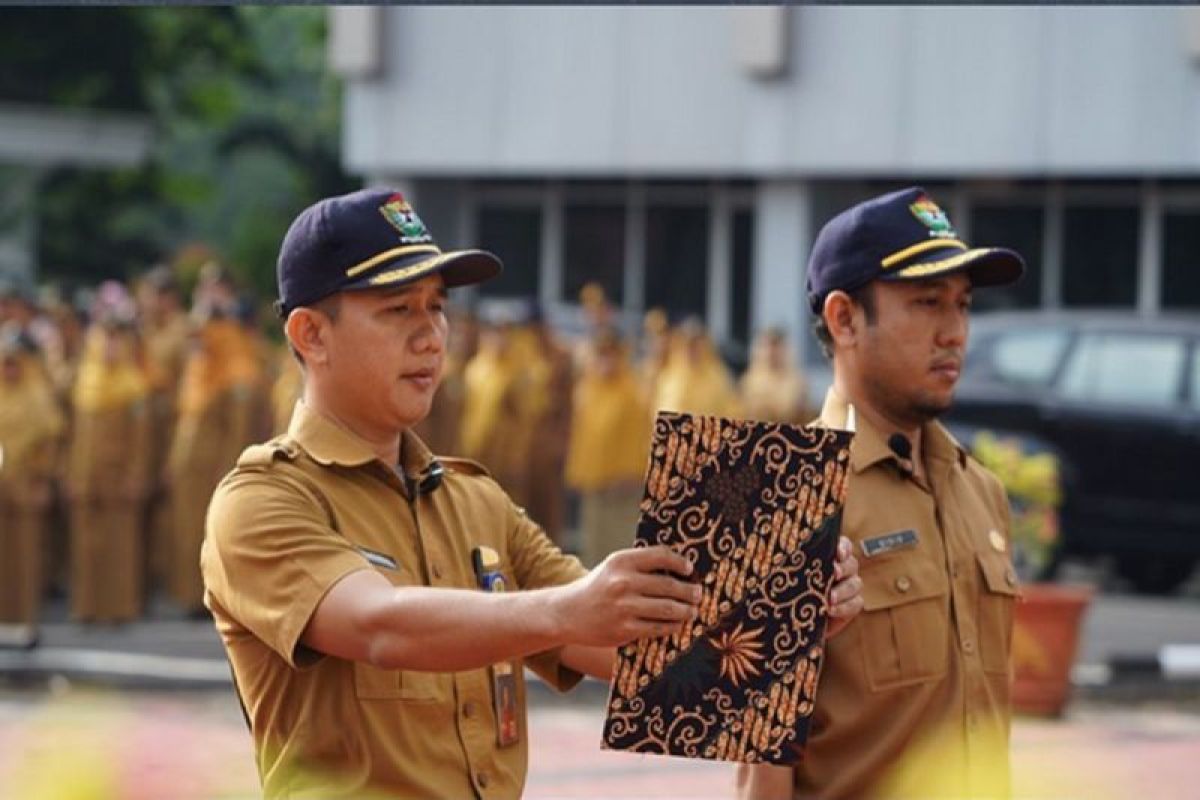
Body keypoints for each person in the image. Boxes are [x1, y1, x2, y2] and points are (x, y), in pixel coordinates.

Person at [200, 187, 864, 799]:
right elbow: (380, 626)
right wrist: (566, 611)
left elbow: (632, 653)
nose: (430, 334)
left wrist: (787, 612)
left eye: (436, 307)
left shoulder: (473, 500)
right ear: (310, 335)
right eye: (397, 310)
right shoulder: (263, 500)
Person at [736, 187, 1025, 800]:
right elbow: (761, 772)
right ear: (844, 319)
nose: (953, 333)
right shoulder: (782, 495)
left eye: (963, 305)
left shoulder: (983, 492)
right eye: (926, 303)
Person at [64, 287, 152, 623]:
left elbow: (141, 441)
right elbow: (75, 437)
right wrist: (72, 474)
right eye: (106, 337)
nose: (111, 345)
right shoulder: (85, 383)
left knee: (119, 543)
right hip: (87, 474)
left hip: (119, 475)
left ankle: (119, 607)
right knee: (87, 544)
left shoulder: (133, 387)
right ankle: (87, 606)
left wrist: (135, 476)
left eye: (117, 338)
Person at [564, 328, 651, 566]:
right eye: (600, 355)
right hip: (593, 483)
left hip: (620, 486)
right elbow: (582, 435)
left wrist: (632, 473)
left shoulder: (631, 392)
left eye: (611, 355)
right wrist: (577, 472)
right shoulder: (587, 388)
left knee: (618, 549)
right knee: (593, 548)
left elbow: (638, 437)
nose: (605, 362)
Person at [0, 328, 64, 646]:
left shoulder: (37, 396)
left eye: (14, 362)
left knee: (26, 557)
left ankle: (26, 622)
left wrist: (43, 480)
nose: (9, 368)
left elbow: (50, 443)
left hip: (27, 483)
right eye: (4, 362)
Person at [739, 327, 809, 424]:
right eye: (768, 346)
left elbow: (791, 410)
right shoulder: (750, 379)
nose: (772, 352)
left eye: (776, 347)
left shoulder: (797, 380)